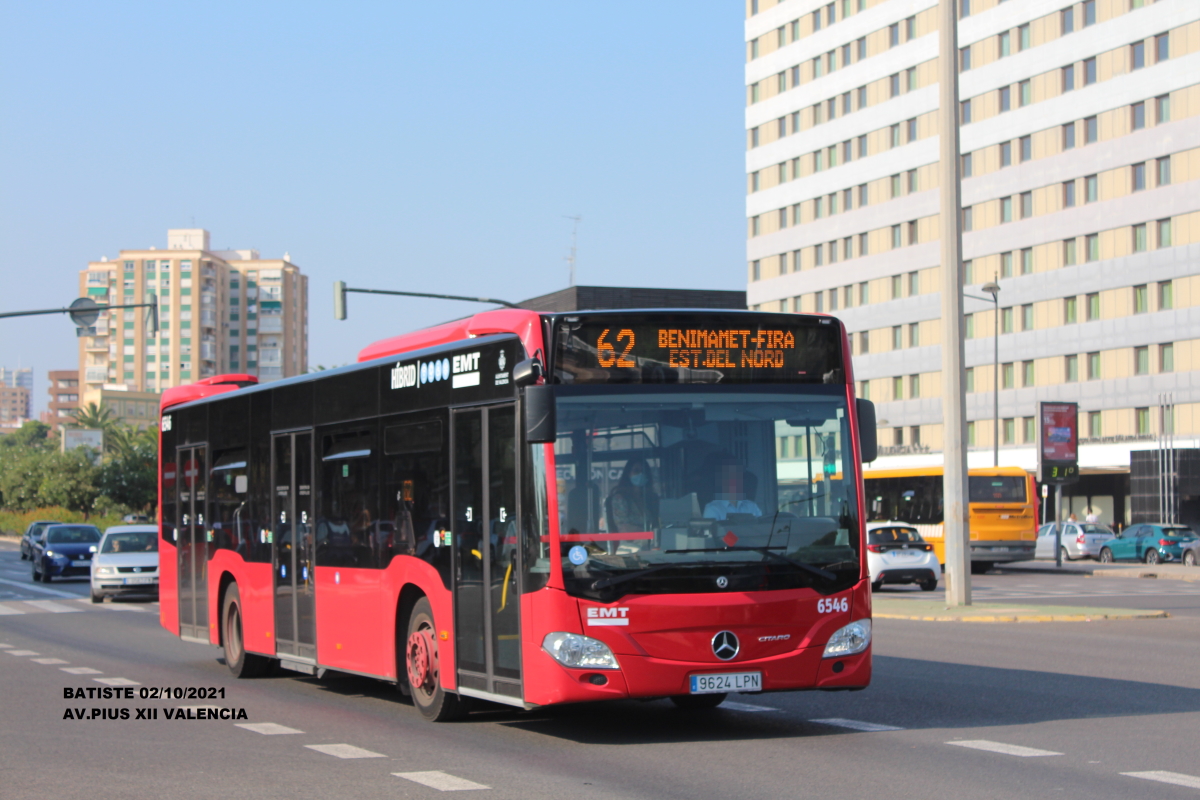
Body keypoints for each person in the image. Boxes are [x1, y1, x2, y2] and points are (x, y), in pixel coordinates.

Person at [607, 458, 659, 532]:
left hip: (651, 542)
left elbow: (656, 524)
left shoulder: (650, 499)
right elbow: (624, 528)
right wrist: (647, 533)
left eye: (644, 471)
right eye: (636, 471)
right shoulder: (620, 498)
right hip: (629, 542)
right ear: (628, 473)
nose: (640, 474)